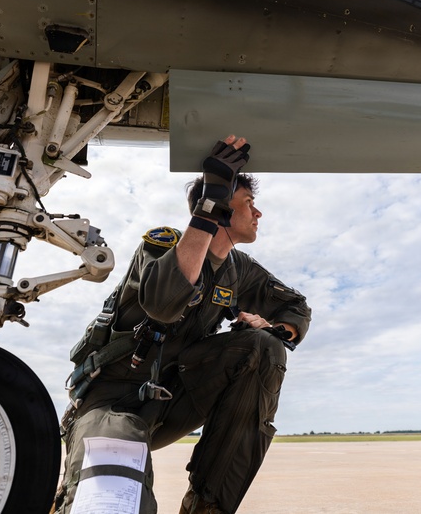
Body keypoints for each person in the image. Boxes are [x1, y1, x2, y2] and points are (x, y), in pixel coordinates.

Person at [53, 135, 311, 514]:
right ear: (222, 208)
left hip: (175, 398)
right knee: (113, 496)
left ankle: (206, 506)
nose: (258, 214)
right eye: (249, 204)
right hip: (114, 397)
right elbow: (163, 305)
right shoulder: (163, 245)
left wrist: (274, 328)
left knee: (262, 347)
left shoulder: (242, 270)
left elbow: (294, 305)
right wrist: (207, 210)